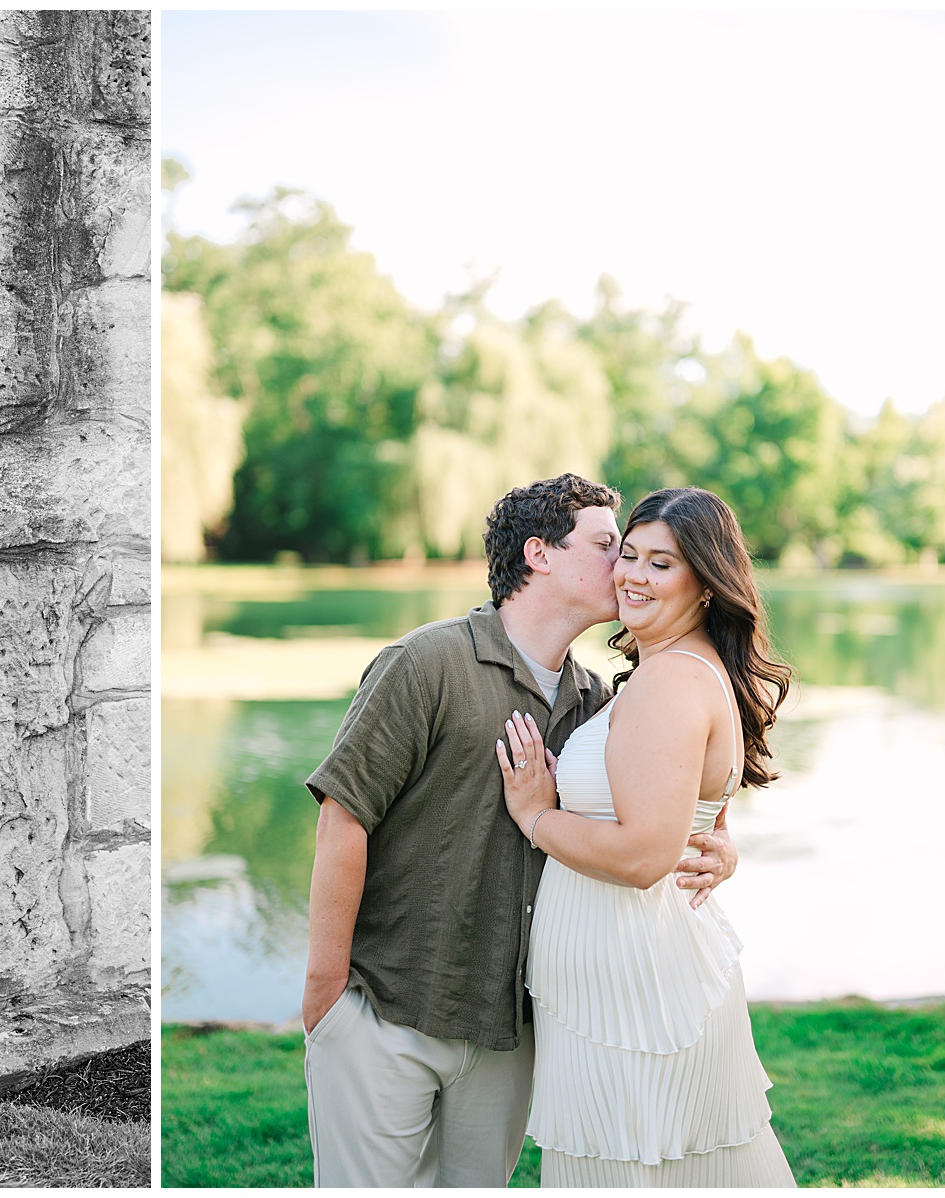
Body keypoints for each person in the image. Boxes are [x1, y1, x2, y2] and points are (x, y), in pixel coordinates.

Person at [300, 474, 739, 1187]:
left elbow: (674, 806)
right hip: (387, 1013)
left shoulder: (597, 699)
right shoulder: (427, 663)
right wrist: (327, 997)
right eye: (608, 547)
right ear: (539, 553)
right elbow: (343, 816)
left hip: (512, 1034)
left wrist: (721, 844)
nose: (624, 568)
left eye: (637, 555)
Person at [498, 487, 796, 1187]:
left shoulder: (668, 682)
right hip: (630, 976)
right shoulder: (676, 674)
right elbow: (692, 816)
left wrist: (536, 816)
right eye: (627, 554)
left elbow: (644, 856)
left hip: (636, 988)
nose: (633, 574)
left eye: (661, 564)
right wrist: (722, 844)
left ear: (707, 583)